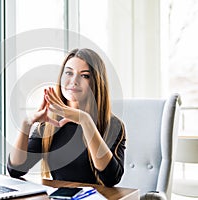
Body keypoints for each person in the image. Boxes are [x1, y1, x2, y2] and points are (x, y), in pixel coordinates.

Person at [7, 48, 126, 187]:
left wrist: (85, 120)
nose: (74, 81)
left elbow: (111, 178)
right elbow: (15, 170)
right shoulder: (50, 123)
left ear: (96, 83)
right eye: (69, 73)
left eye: (85, 75)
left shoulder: (113, 125)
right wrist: (26, 124)